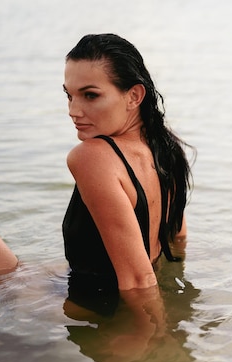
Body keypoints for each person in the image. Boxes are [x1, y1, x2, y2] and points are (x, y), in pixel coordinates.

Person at [62, 33, 192, 300]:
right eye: (69, 95)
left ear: (134, 96)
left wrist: (151, 338)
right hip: (121, 294)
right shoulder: (167, 148)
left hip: (93, 307)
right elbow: (178, 241)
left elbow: (137, 280)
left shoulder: (93, 156)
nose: (73, 111)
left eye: (90, 95)